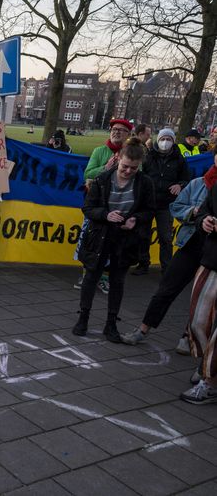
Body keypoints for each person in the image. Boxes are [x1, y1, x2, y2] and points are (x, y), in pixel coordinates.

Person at [72, 137, 155, 343]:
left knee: (117, 280)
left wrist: (135, 220)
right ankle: (83, 318)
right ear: (118, 159)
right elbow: (88, 208)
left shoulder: (145, 183)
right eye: (125, 167)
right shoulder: (102, 179)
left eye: (133, 169)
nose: (128, 172)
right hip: (100, 234)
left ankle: (111, 323)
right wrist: (105, 215)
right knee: (92, 276)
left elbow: (149, 210)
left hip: (126, 237)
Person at [121, 172, 210, 347]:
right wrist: (194, 212)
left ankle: (188, 337)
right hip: (191, 245)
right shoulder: (198, 184)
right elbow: (176, 207)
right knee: (167, 288)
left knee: (203, 298)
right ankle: (142, 329)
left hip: (212, 252)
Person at [75, 118, 135, 294]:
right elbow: (88, 173)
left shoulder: (130, 154)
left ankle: (104, 278)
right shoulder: (100, 151)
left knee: (113, 244)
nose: (116, 132)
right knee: (91, 240)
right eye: (114, 129)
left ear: (128, 135)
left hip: (119, 205)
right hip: (97, 206)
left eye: (121, 130)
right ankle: (87, 275)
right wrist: (106, 167)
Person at [179, 163, 217, 404]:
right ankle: (206, 364)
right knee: (197, 320)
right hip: (212, 260)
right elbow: (204, 211)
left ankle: (210, 381)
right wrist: (205, 221)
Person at [131, 128, 189, 275]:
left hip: (166, 204)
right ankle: (143, 264)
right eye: (163, 139)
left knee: (165, 237)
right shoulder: (149, 157)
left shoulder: (180, 159)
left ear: (173, 141)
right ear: (158, 140)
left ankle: (166, 267)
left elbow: (186, 179)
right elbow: (140, 175)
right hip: (148, 203)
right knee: (143, 234)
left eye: (169, 139)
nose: (165, 142)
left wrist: (180, 185)